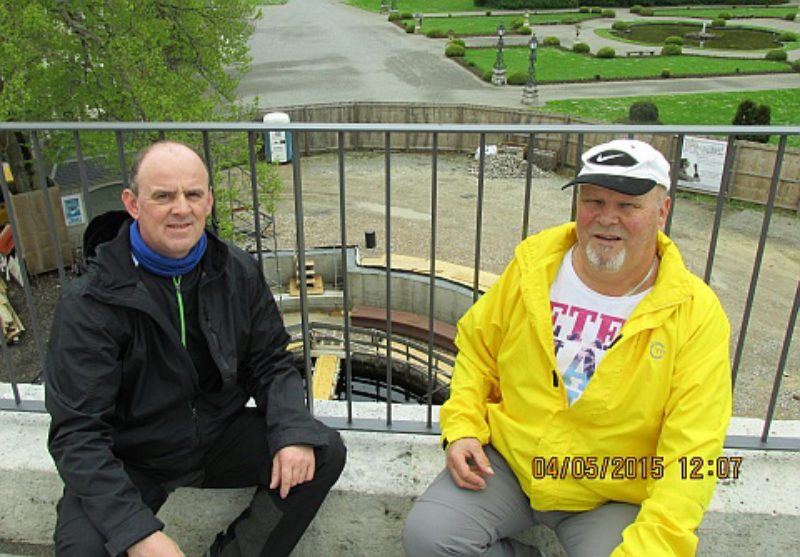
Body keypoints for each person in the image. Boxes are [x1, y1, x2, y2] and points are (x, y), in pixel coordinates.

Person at [403, 139, 732, 556]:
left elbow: (693, 449)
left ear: (662, 212)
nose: (606, 218)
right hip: (511, 464)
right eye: (593, 200)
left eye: (628, 206)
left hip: (610, 491)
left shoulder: (695, 313)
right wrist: (463, 427)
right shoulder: (533, 267)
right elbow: (477, 350)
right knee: (429, 538)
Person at [45, 140, 346, 557]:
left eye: (192, 194)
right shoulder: (90, 302)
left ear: (208, 200)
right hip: (132, 455)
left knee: (321, 451)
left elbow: (271, 361)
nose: (181, 208)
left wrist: (290, 431)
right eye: (163, 196)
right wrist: (137, 533)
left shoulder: (236, 270)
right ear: (133, 204)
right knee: (82, 550)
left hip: (214, 435)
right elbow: (76, 433)